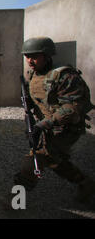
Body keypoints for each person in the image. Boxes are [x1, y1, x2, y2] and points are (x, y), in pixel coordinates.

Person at [13, 36, 95, 204]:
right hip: (45, 127)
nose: (30, 60)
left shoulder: (66, 76)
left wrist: (43, 124)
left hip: (65, 128)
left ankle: (15, 201)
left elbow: (72, 108)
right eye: (27, 56)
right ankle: (85, 183)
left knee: (34, 161)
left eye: (34, 56)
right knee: (53, 159)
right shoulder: (33, 74)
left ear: (47, 55)